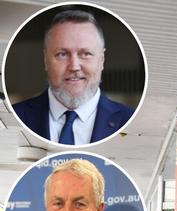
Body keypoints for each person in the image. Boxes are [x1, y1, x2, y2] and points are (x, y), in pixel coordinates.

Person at [12, 9, 135, 145]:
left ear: (102, 60)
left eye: (86, 54)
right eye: (62, 54)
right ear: (45, 60)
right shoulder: (14, 117)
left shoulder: (131, 122)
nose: (74, 66)